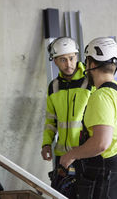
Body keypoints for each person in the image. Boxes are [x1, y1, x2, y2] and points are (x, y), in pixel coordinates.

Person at [60, 37, 117, 199]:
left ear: (91, 64)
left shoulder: (101, 96)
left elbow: (101, 143)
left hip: (105, 179)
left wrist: (72, 154)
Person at [41, 37, 94, 188]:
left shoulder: (90, 81)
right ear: (55, 61)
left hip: (85, 153)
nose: (69, 64)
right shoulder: (54, 86)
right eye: (63, 60)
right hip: (62, 156)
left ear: (77, 56)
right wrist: (46, 144)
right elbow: (51, 119)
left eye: (71, 58)